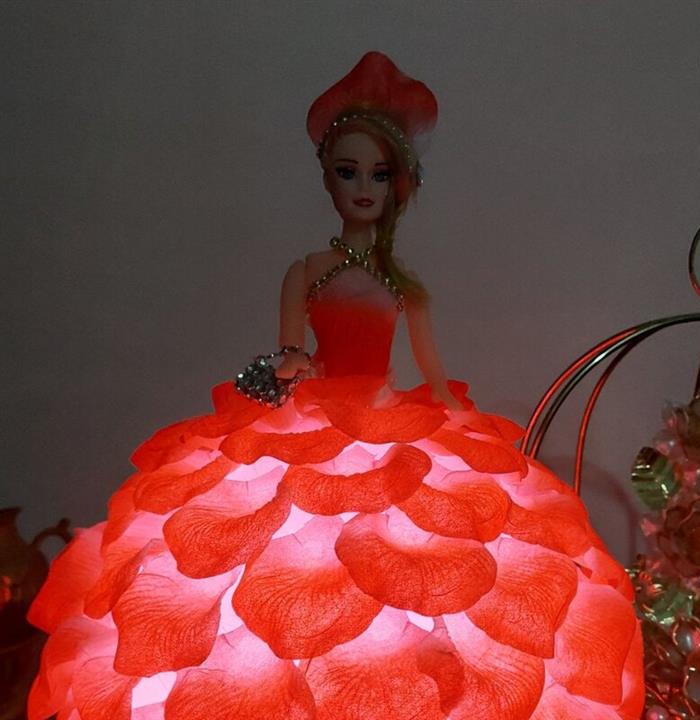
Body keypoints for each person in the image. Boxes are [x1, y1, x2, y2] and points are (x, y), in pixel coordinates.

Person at [27, 52, 643, 720]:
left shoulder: (402, 286)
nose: (363, 188)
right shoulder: (307, 270)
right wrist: (283, 372)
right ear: (327, 178)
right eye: (347, 171)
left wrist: (462, 426)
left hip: (391, 414)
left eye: (379, 174)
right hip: (310, 410)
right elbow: (290, 347)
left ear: (398, 185)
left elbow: (432, 369)